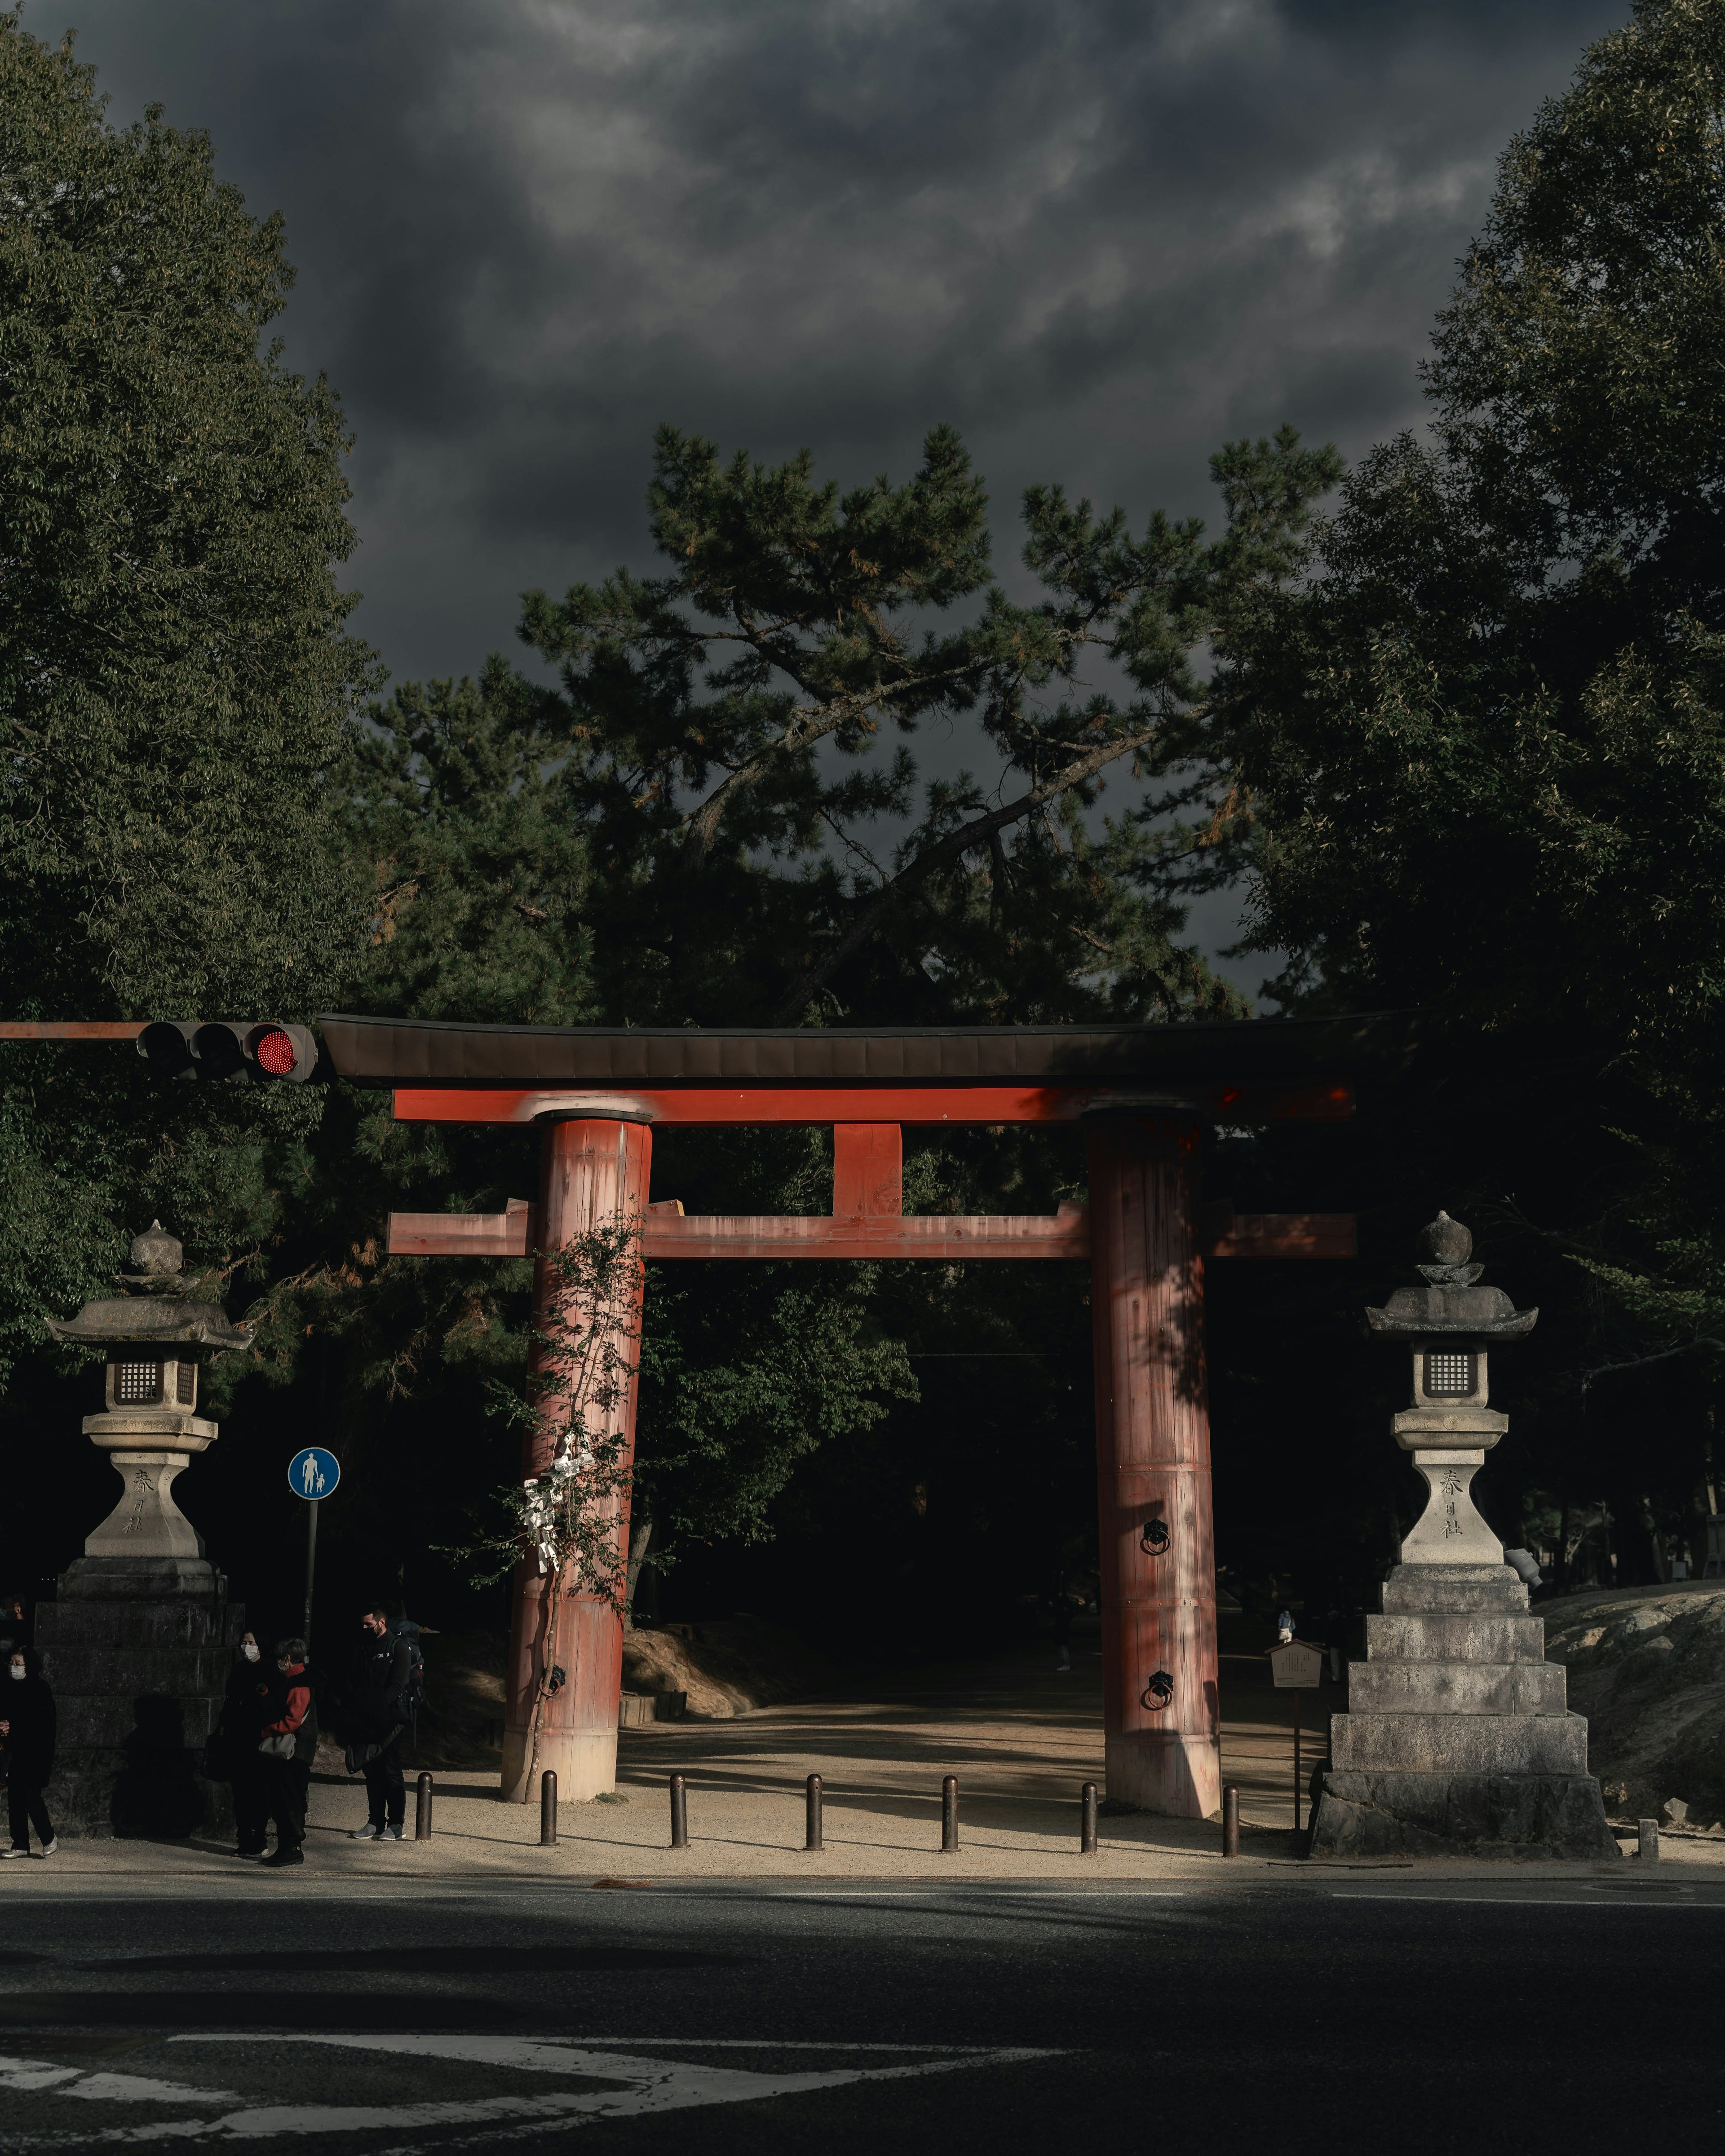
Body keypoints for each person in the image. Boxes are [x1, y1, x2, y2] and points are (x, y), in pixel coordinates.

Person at [347, 1605, 411, 1842]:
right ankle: (375, 1821)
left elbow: (397, 1686)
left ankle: (396, 1824)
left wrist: (377, 1707)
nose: (364, 1628)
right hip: (367, 1719)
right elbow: (356, 1680)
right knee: (371, 1770)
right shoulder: (365, 1647)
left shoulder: (398, 1647)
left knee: (391, 1771)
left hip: (390, 1721)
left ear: (381, 1622)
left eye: (368, 1624)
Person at [258, 1636, 317, 1869]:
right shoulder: (297, 1680)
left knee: (289, 1801)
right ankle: (287, 1847)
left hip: (294, 1752)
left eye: (280, 1658)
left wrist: (267, 1730)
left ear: (288, 1659)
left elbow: (292, 1721)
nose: (278, 1662)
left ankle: (291, 1848)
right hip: (298, 1751)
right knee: (289, 1799)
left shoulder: (298, 1684)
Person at [0, 1646, 57, 1857]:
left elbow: (40, 1722)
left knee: (31, 1794)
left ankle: (48, 1837)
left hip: (35, 1751)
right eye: (11, 1663)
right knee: (15, 1795)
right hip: (14, 1749)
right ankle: (21, 1844)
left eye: (18, 1664)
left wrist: (12, 1727)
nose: (13, 1668)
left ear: (29, 1666)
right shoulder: (7, 1687)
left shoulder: (40, 1689)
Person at [218, 1630, 270, 1859]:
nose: (246, 1647)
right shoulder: (239, 1669)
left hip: (256, 1738)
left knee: (257, 1791)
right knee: (240, 1792)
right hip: (236, 1737)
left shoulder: (266, 1671)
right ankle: (244, 1838)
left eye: (251, 1643)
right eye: (244, 1642)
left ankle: (259, 1838)